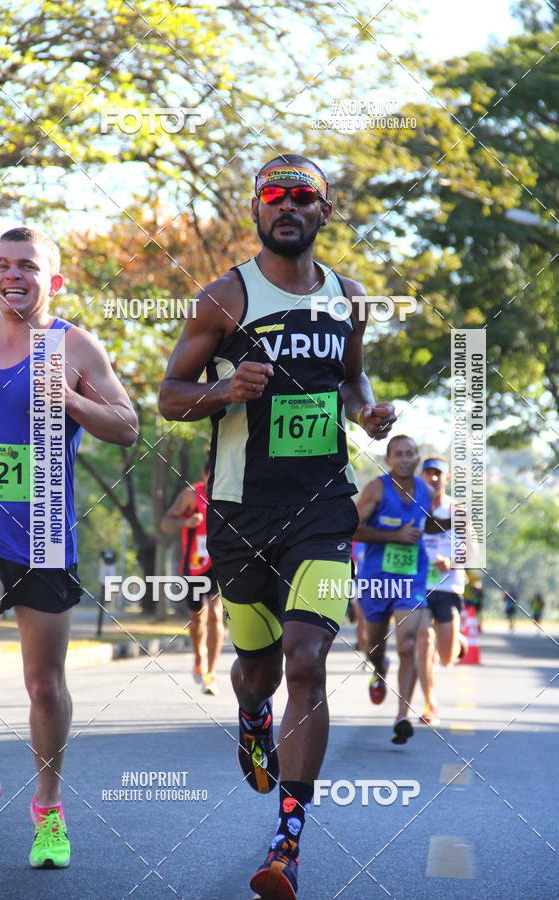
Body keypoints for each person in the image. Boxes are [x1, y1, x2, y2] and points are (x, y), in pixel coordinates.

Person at [159, 153, 396, 899]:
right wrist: (226, 388)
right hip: (241, 513)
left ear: (324, 211)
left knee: (307, 657)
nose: (286, 206)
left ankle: (286, 843)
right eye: (273, 196)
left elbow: (351, 379)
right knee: (259, 668)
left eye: (302, 196)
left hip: (322, 509)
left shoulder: (348, 299)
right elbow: (168, 395)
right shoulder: (224, 297)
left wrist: (367, 412)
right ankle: (252, 710)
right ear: (257, 209)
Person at [0, 227, 138, 867]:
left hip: (44, 534)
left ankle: (48, 806)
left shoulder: (73, 345)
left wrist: (67, 397)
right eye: (2, 264)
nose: (13, 275)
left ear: (53, 281)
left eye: (28, 266)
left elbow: (128, 427)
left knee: (43, 684)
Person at [354, 435, 441, 745]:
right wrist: (394, 535)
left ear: (417, 457)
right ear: (388, 459)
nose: (405, 459)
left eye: (410, 453)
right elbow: (352, 528)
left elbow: (429, 525)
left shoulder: (427, 491)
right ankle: (379, 669)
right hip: (377, 578)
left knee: (408, 643)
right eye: (399, 454)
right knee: (373, 646)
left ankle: (402, 715)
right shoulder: (376, 489)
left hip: (411, 578)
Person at [161, 462, 224, 694]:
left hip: (219, 564)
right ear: (204, 474)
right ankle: (199, 657)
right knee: (197, 617)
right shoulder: (191, 495)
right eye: (211, 476)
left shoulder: (229, 495)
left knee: (216, 615)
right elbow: (166, 523)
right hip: (194, 566)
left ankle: (211, 673)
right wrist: (185, 522)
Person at [416, 457, 469, 726]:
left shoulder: (457, 510)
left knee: (447, 656)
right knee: (424, 641)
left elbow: (472, 549)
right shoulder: (413, 508)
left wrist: (451, 561)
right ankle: (431, 704)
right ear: (422, 477)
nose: (433, 478)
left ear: (446, 478)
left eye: (438, 474)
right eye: (428, 473)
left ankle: (456, 640)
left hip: (448, 586)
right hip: (419, 586)